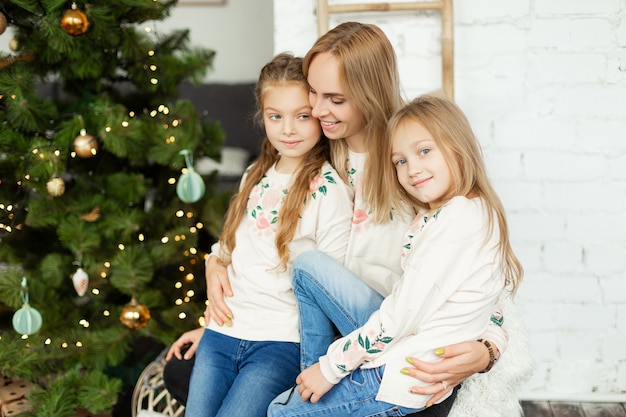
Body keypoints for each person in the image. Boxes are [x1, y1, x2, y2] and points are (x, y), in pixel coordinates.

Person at [166, 21, 532, 417]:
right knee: (181, 371)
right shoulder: (310, 154)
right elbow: (264, 240)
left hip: (390, 345)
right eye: (314, 95)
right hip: (309, 340)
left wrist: (488, 348)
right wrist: (222, 292)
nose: (317, 111)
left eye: (334, 99)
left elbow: (481, 276)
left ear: (369, 94)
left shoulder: (412, 165)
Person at [266, 94, 523, 417]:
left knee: (279, 411)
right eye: (400, 161)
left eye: (424, 152)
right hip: (403, 342)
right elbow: (488, 300)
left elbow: (400, 316)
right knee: (307, 266)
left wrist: (331, 369)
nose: (412, 169)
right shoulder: (459, 210)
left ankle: (312, 389)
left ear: (459, 148)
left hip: (399, 375)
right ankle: (309, 384)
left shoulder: (458, 219)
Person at [180, 52, 354, 417]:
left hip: (281, 343)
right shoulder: (254, 175)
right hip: (222, 334)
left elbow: (333, 286)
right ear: (262, 116)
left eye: (302, 116)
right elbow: (230, 247)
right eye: (276, 116)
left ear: (319, 115)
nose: (288, 129)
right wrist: (214, 263)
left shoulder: (329, 190)